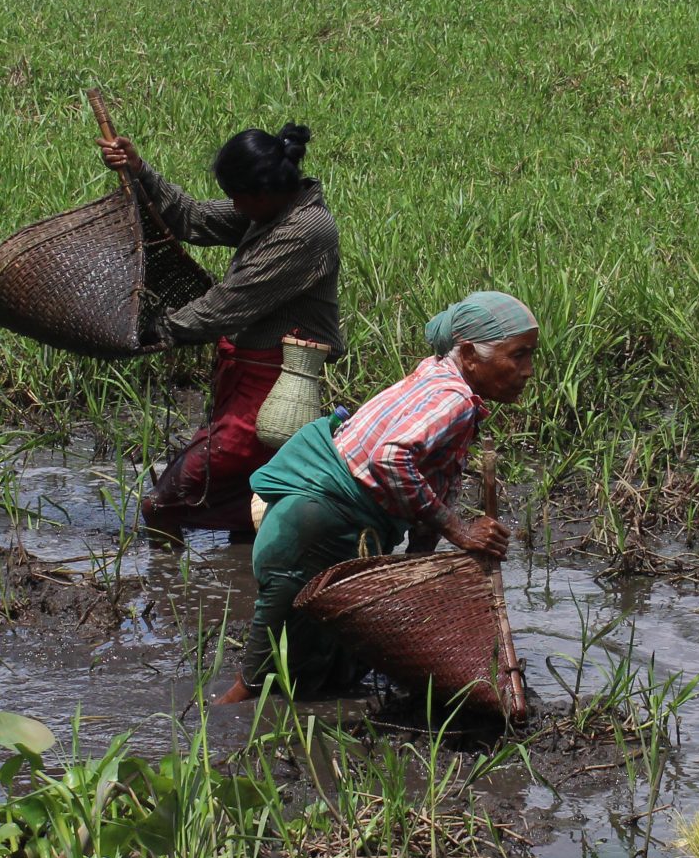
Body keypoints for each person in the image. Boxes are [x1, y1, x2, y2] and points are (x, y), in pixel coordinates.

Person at [223, 292, 535, 705]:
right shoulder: (455, 401)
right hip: (313, 526)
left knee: (320, 668)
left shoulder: (438, 376)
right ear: (469, 355)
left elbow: (429, 481)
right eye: (518, 356)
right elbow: (391, 459)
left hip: (315, 520)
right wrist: (460, 532)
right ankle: (214, 732)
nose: (528, 371)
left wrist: (416, 571)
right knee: (259, 679)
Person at [97, 121, 340, 539]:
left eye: (237, 198)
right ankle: (244, 584)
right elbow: (193, 218)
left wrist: (155, 330)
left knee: (166, 501)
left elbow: (227, 305)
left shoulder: (305, 231)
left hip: (269, 392)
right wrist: (140, 169)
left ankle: (310, 525)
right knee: (251, 497)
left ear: (261, 193)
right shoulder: (270, 208)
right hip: (240, 379)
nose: (233, 205)